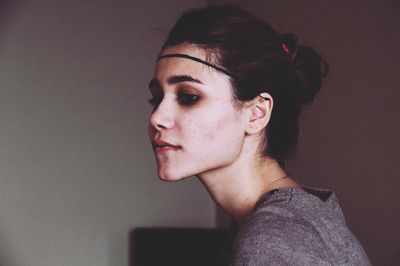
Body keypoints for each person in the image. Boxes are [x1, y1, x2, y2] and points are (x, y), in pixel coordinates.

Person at [147, 4, 371, 265]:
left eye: (188, 97)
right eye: (156, 100)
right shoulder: (284, 223)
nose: (157, 118)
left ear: (256, 113)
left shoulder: (273, 241)